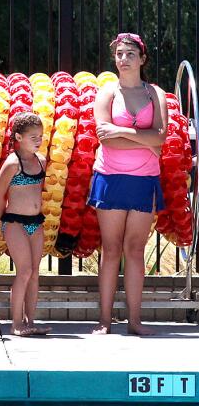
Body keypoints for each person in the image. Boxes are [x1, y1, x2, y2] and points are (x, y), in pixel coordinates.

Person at [88, 32, 167, 336]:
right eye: (119, 54)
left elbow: (160, 136)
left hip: (144, 180)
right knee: (110, 250)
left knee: (134, 250)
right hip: (110, 177)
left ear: (142, 59)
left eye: (130, 54)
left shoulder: (154, 94)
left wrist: (125, 133)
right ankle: (104, 321)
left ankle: (135, 321)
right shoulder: (107, 92)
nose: (123, 59)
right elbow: (105, 141)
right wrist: (145, 140)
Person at [0, 111, 50, 337]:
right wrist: (4, 222)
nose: (39, 140)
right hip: (15, 221)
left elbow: (38, 190)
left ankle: (30, 320)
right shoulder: (12, 163)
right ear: (18, 137)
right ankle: (16, 323)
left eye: (41, 136)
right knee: (24, 271)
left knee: (35, 272)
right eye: (33, 137)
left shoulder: (41, 161)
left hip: (35, 222)